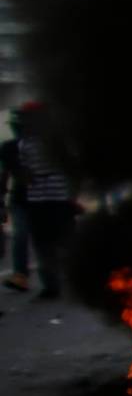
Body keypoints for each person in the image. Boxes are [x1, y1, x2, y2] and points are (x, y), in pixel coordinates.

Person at [7, 102, 74, 299]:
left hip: (54, 199)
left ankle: (67, 281)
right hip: (40, 200)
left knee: (59, 242)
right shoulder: (25, 143)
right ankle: (52, 285)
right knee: (45, 243)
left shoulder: (53, 141)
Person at [2, 104, 31, 292]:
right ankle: (20, 275)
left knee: (45, 239)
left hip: (46, 199)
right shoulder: (9, 147)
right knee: (20, 236)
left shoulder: (45, 145)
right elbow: (5, 173)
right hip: (21, 198)